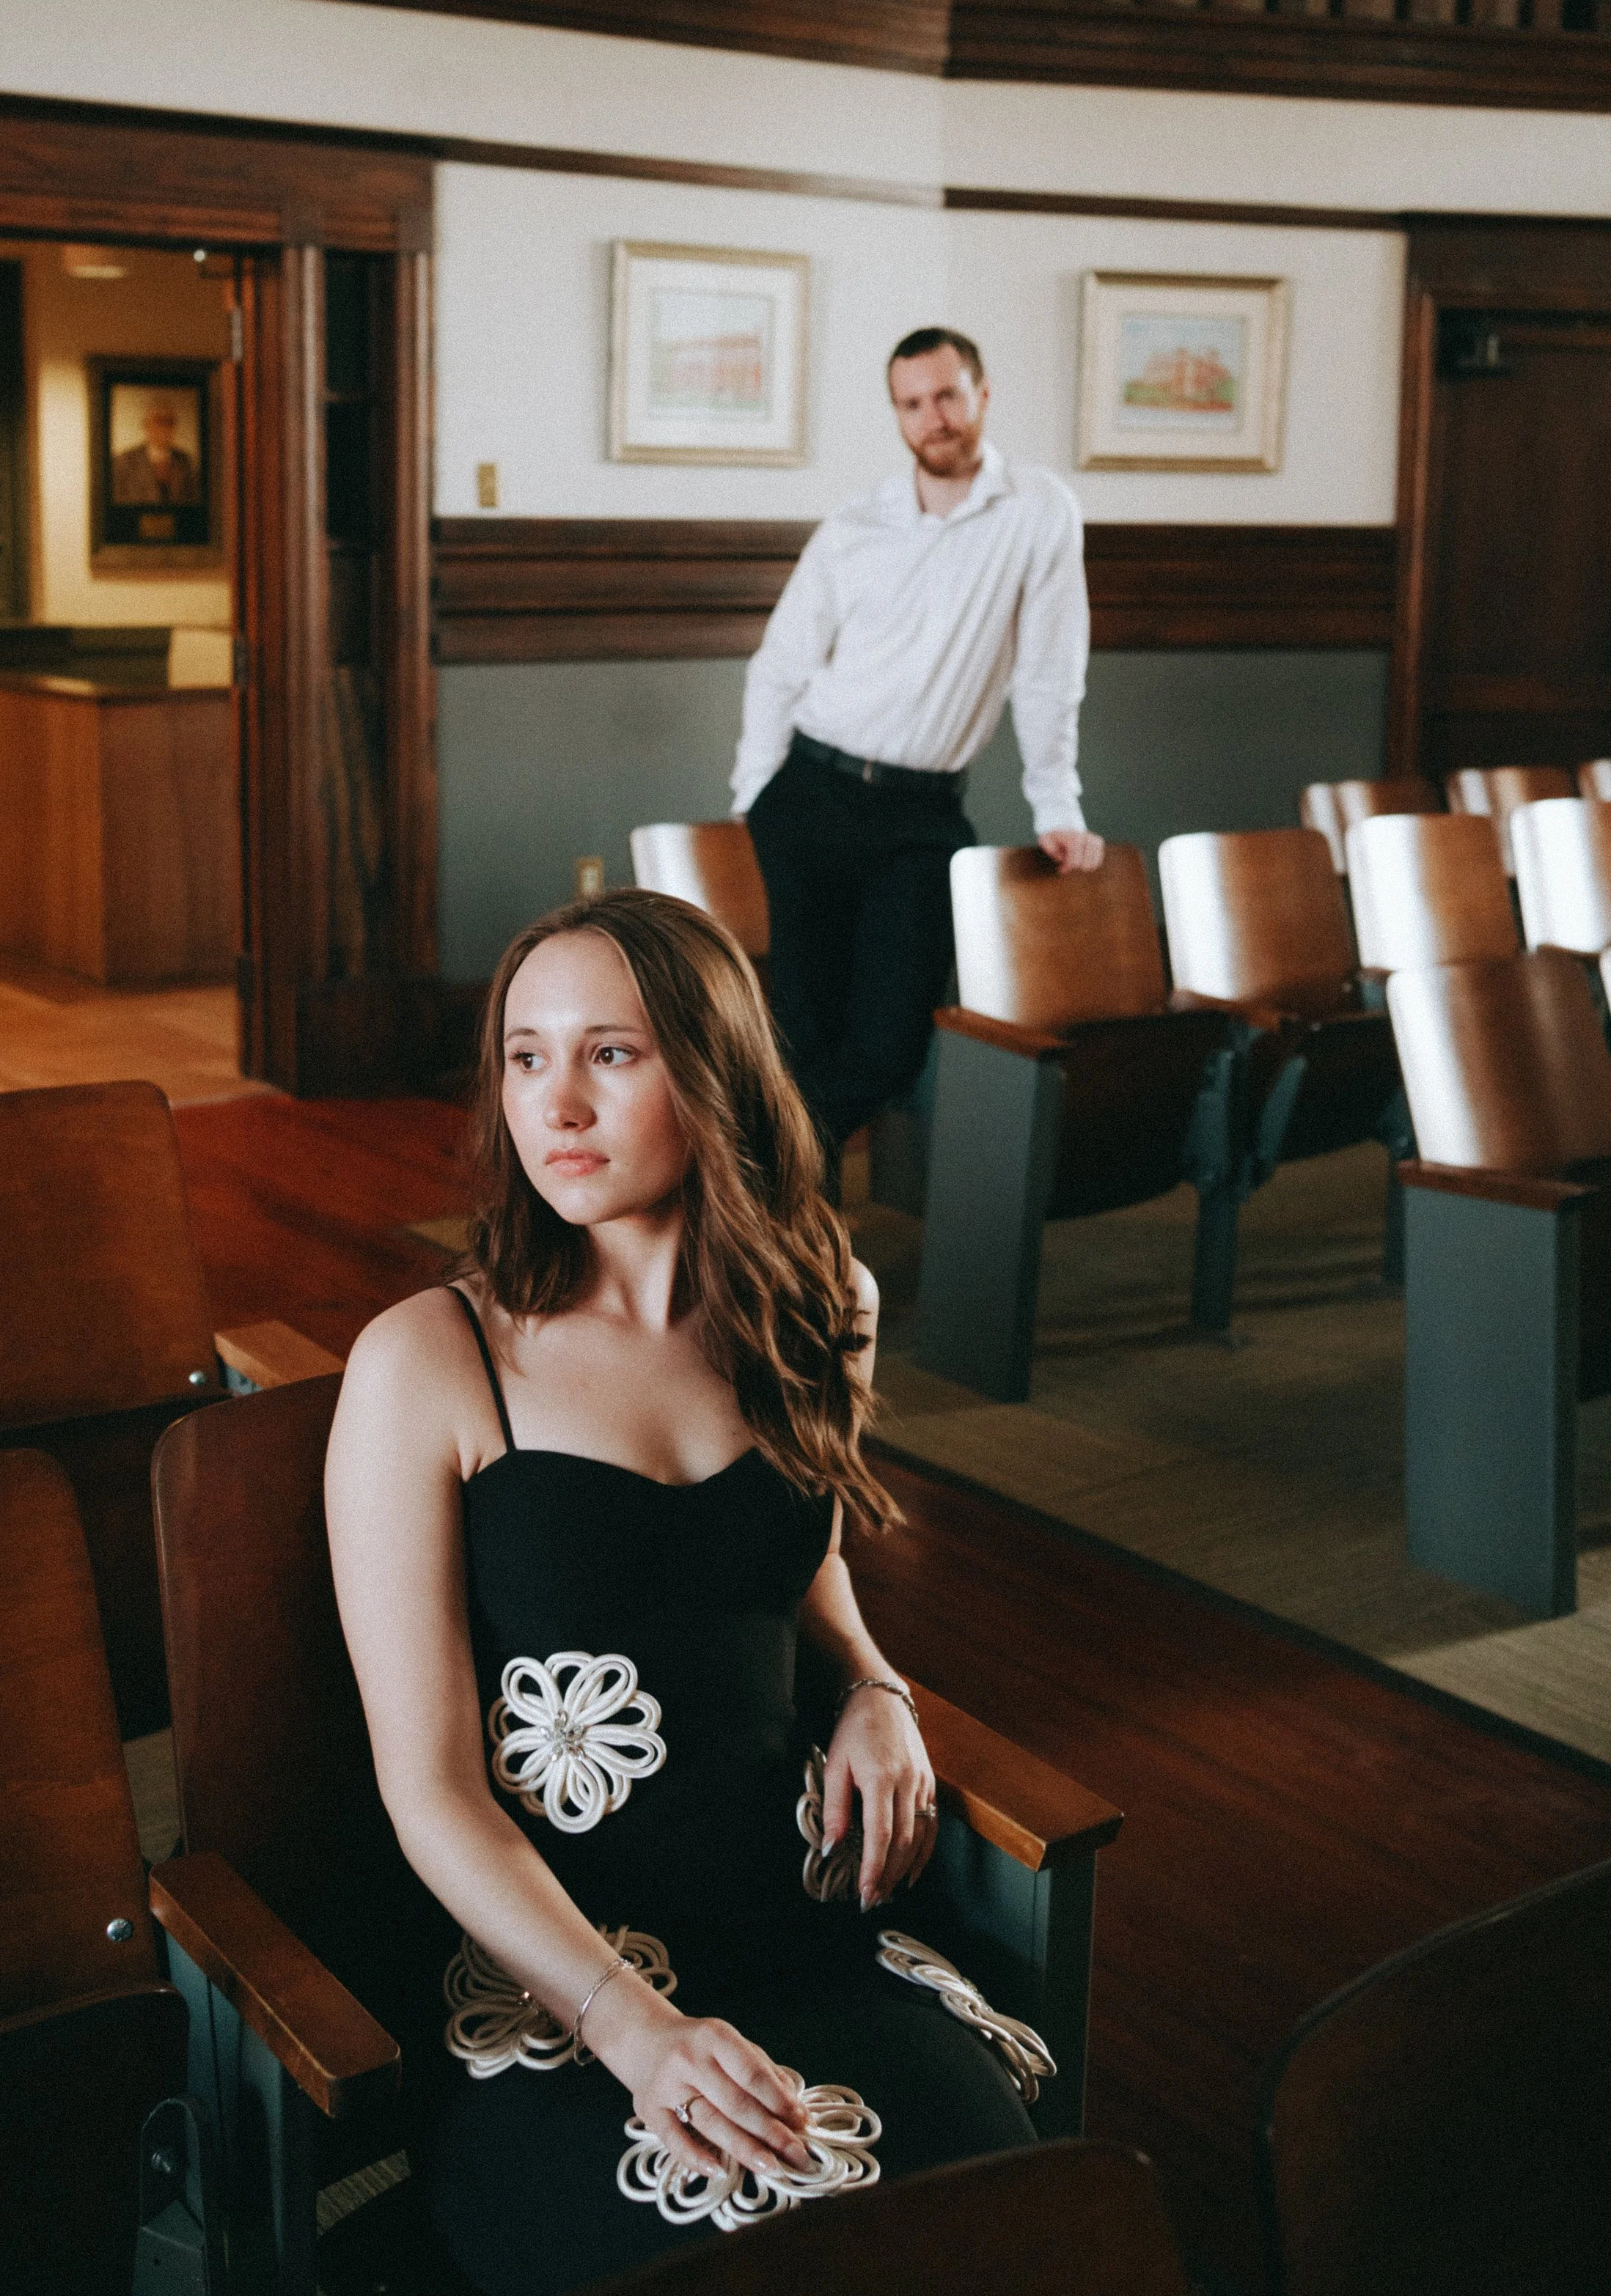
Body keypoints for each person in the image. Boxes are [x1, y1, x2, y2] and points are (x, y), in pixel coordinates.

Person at [326, 888, 1046, 2295]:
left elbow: (795, 1558)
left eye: (611, 1052)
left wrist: (878, 1689)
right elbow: (428, 1788)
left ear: (710, 1073)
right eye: (525, 1057)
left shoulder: (821, 1294)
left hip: (798, 1914)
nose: (559, 1104)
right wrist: (632, 2026)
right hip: (559, 1969)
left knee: (995, 2228)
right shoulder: (427, 1360)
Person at [732, 325, 1103, 1172]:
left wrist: (1057, 802)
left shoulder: (1040, 510)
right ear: (896, 414)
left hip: (922, 814)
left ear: (981, 393)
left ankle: (748, 1179)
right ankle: (797, 1269)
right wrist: (756, 791)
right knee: (800, 1038)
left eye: (946, 396)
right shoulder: (854, 525)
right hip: (809, 795)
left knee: (888, 1045)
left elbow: (1049, 669)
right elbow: (779, 666)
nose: (932, 417)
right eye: (911, 403)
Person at [111, 397, 200, 507]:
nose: (165, 428)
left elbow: (193, 502)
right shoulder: (125, 461)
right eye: (159, 421)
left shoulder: (185, 461)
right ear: (146, 425)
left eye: (170, 422)